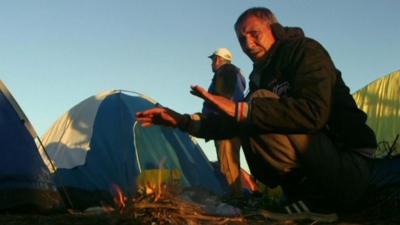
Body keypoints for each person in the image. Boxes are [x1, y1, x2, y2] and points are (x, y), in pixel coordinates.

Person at [137, 7, 400, 214]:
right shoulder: (259, 76)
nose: (247, 44)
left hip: (348, 166)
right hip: (320, 168)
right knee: (253, 110)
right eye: (241, 39)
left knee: (258, 104)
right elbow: (237, 123)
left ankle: (318, 198)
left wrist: (244, 110)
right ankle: (302, 195)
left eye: (254, 34)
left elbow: (313, 112)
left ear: (273, 28)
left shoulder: (305, 51)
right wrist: (181, 121)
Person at [203, 48, 246, 196]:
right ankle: (236, 198)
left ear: (219, 60)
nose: (212, 63)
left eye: (213, 60)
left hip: (225, 127)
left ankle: (235, 201)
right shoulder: (234, 74)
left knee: (227, 164)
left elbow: (223, 98)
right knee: (231, 163)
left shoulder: (226, 72)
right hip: (231, 125)